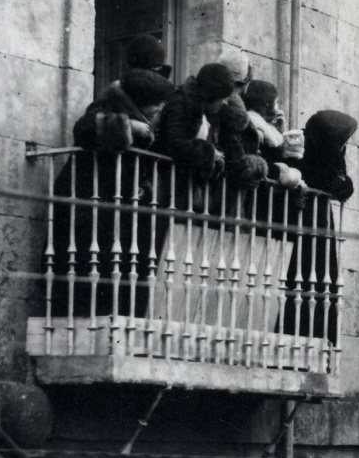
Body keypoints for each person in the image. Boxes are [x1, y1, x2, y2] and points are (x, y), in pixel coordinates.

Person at [48, 69, 174, 318]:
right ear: (140, 101)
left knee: (113, 267)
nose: (160, 109)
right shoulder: (106, 106)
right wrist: (127, 126)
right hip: (88, 204)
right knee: (86, 266)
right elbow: (84, 129)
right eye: (156, 104)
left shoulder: (147, 119)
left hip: (112, 209)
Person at [283, 109, 358, 343]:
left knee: (321, 285)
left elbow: (343, 183)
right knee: (299, 282)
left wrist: (340, 184)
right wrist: (334, 183)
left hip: (319, 226)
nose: (343, 146)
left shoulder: (329, 150)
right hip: (299, 224)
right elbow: (314, 176)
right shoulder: (298, 146)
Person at [158, 62, 239, 186]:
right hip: (168, 183)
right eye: (223, 98)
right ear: (212, 95)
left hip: (183, 186)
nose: (225, 103)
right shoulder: (180, 103)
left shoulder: (206, 111)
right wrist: (209, 153)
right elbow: (173, 143)